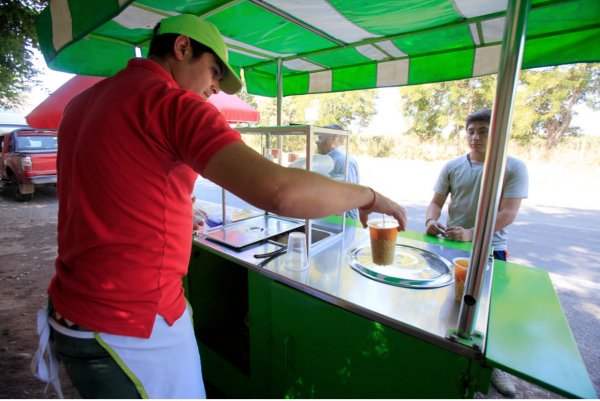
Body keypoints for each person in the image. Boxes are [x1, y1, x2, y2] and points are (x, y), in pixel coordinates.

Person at [32, 14, 407, 399]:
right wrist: (369, 196)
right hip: (130, 325)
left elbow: (111, 186)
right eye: (213, 72)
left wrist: (175, 209)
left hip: (69, 313)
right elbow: (281, 192)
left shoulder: (80, 105)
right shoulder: (172, 104)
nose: (214, 89)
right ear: (182, 48)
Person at [424, 109, 528, 397]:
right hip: (452, 246)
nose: (475, 136)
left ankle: (496, 366)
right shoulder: (453, 166)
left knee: (488, 310)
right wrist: (431, 221)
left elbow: (508, 213)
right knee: (451, 301)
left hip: (490, 248)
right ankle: (448, 354)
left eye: (483, 130)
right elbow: (435, 202)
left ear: (497, 135)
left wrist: (474, 234)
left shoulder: (513, 167)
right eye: (471, 130)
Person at [316, 124, 361, 220]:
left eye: (320, 138)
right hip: (329, 218)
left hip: (344, 221)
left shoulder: (343, 161)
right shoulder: (327, 160)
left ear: (333, 139)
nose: (317, 141)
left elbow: (350, 196)